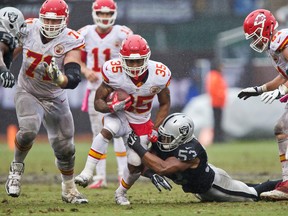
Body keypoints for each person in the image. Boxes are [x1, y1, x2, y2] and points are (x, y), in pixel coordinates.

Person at [5, 0, 88, 204]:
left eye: (56, 21)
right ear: (41, 18)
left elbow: (74, 76)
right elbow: (10, 55)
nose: (50, 25)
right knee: (29, 130)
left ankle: (69, 190)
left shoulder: (72, 39)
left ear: (65, 20)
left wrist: (59, 78)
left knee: (66, 148)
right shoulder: (28, 28)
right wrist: (4, 68)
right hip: (28, 90)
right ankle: (16, 171)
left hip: (55, 96)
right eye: (47, 20)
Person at [75, 34, 171, 205]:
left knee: (135, 164)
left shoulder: (159, 74)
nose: (134, 66)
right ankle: (87, 172)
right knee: (107, 130)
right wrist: (112, 107)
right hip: (120, 116)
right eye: (130, 61)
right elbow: (98, 102)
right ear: (122, 59)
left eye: (138, 61)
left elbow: (164, 103)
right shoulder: (113, 71)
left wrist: (155, 128)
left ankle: (121, 193)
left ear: (147, 58)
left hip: (141, 122)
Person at [127, 113, 281, 202]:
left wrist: (138, 147)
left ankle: (284, 185)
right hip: (200, 188)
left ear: (181, 137)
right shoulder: (165, 143)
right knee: (247, 186)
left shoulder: (190, 150)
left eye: (167, 138)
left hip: (215, 185)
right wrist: (149, 173)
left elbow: (163, 167)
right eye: (163, 136)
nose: (162, 141)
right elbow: (141, 165)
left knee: (253, 195)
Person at [78, 0, 133, 189]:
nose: (105, 17)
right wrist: (85, 71)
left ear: (114, 15)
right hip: (95, 89)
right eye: (101, 14)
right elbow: (73, 58)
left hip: (117, 90)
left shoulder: (123, 33)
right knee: (97, 133)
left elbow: (131, 57)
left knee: (119, 132)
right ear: (94, 14)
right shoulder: (85, 32)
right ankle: (99, 177)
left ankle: (121, 175)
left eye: (108, 14)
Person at [238, 9, 288, 201]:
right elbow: (284, 76)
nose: (254, 42)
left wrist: (283, 90)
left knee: (283, 128)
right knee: (282, 128)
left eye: (255, 36)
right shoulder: (273, 47)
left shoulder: (282, 41)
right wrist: (260, 89)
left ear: (266, 29)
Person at [0, 7, 25, 89]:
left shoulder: (9, 43)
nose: (21, 29)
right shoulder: (5, 37)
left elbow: (7, 57)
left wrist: (22, 45)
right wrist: (3, 69)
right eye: (21, 26)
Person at [205, 60, 227, 143]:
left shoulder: (216, 75)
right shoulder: (215, 76)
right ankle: (217, 138)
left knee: (218, 121)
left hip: (219, 102)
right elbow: (213, 89)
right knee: (217, 122)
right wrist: (220, 95)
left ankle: (218, 138)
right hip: (217, 102)